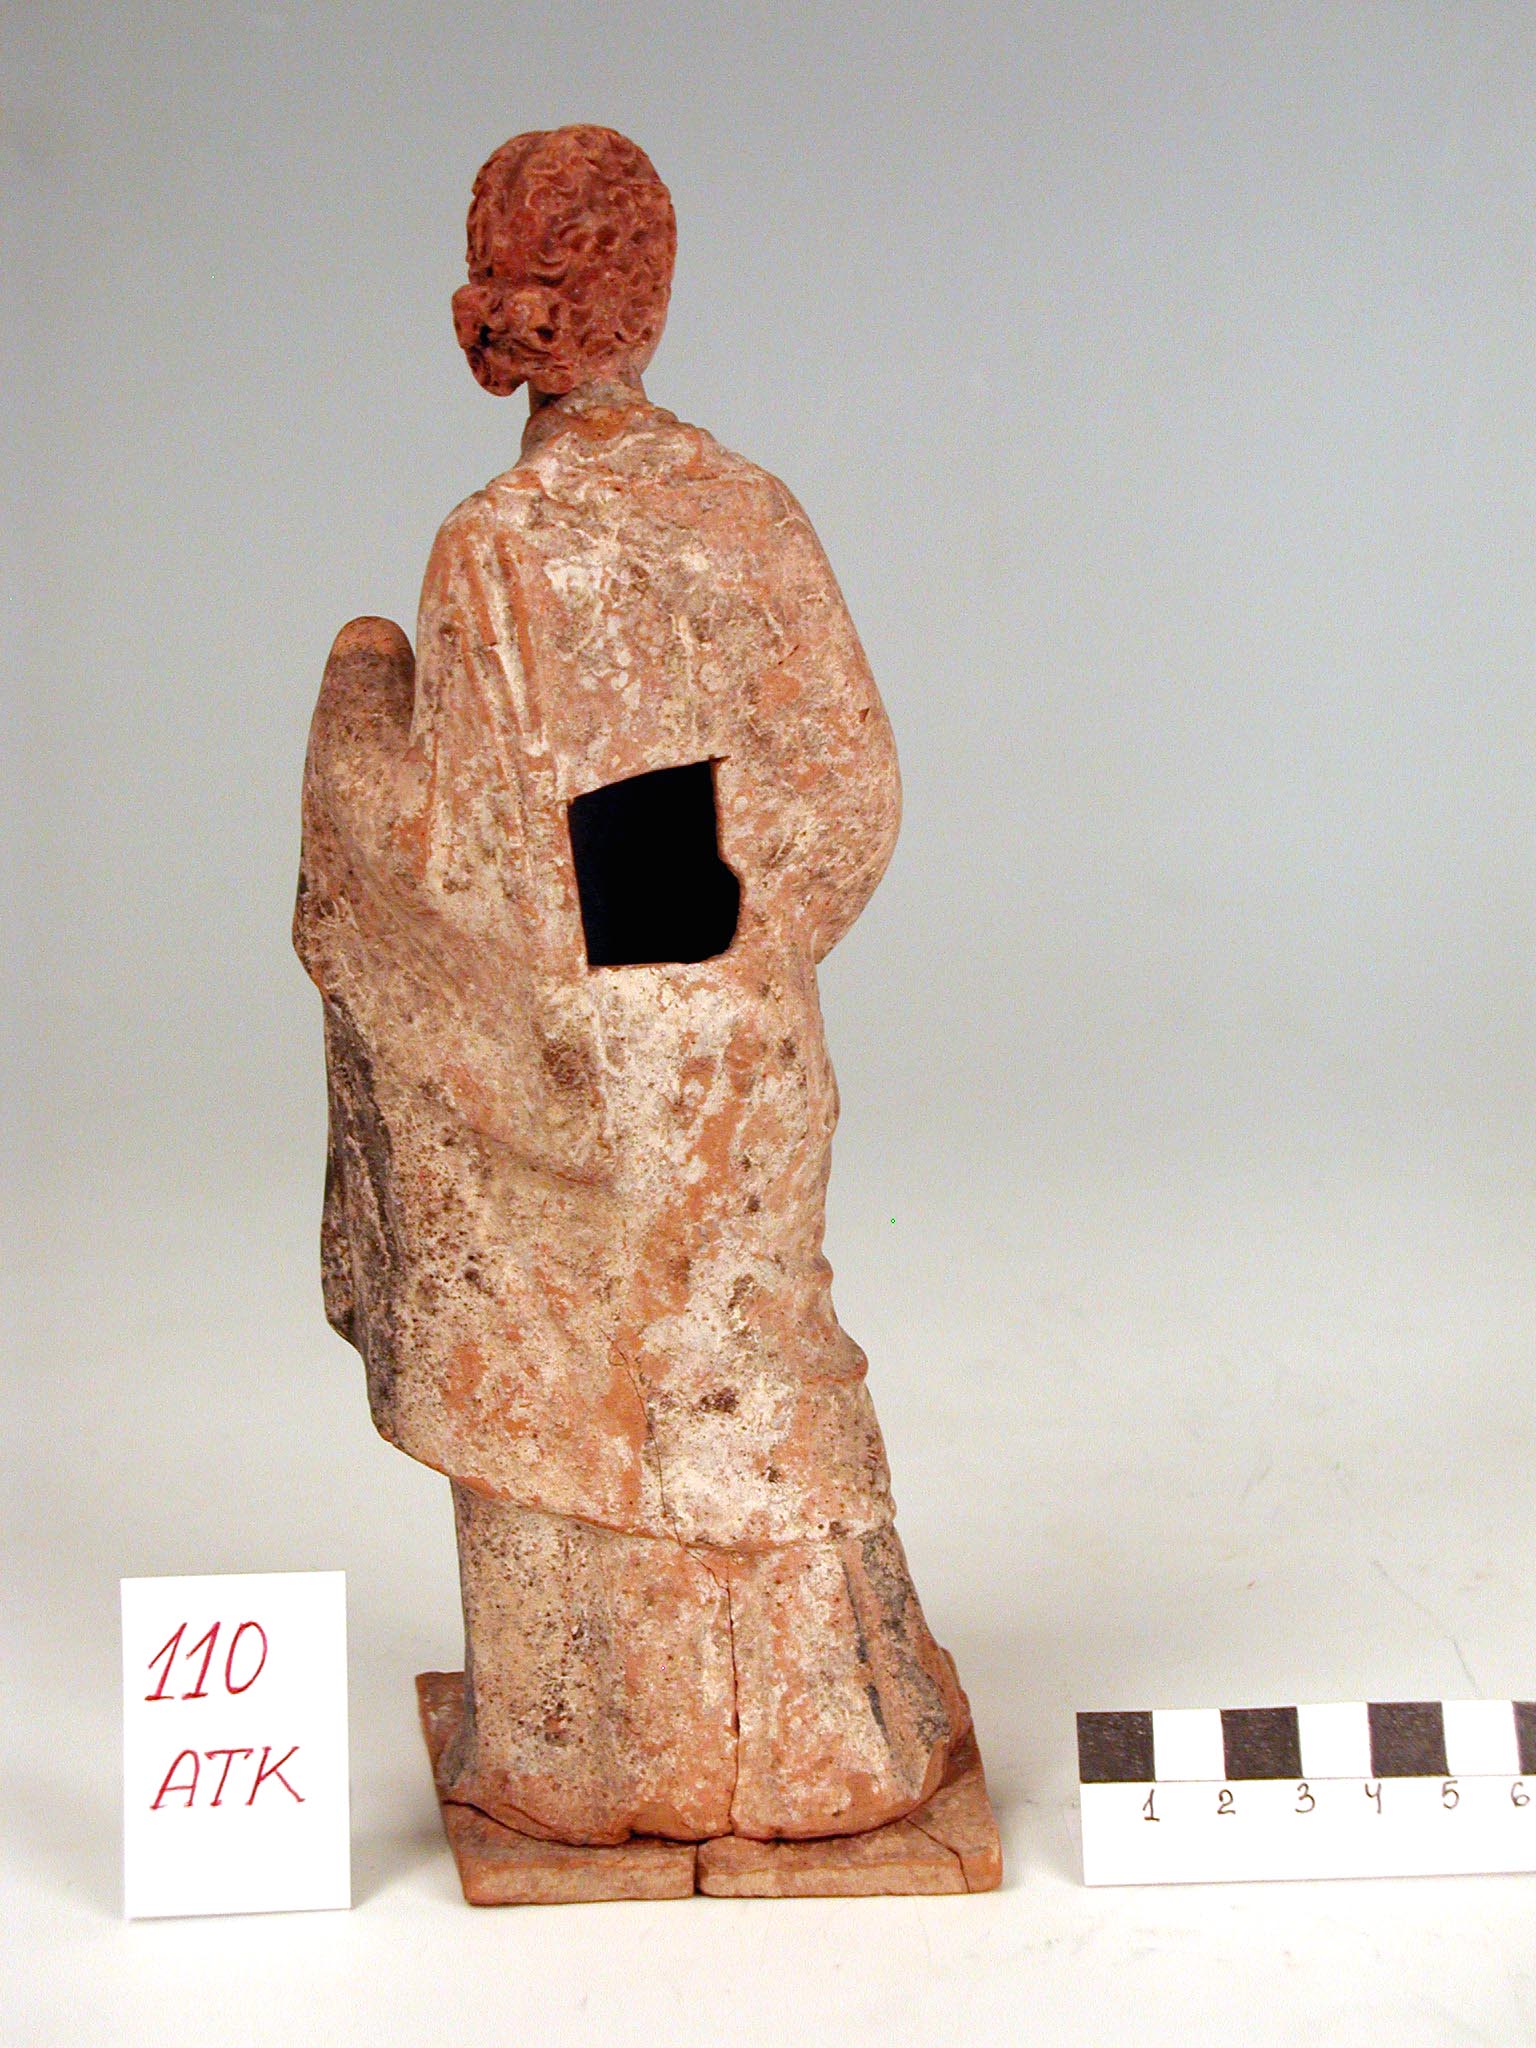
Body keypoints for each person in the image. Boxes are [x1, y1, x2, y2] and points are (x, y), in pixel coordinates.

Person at [296, 125, 974, 1849]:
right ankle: (828, 1742)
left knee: (574, 1362)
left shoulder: (498, 542)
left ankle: (594, 1755)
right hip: (742, 1035)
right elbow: (853, 790)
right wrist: (729, 957)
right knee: (751, 1358)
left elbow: (471, 867)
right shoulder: (749, 506)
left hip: (583, 1031)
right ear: (653, 294)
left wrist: (350, 736)